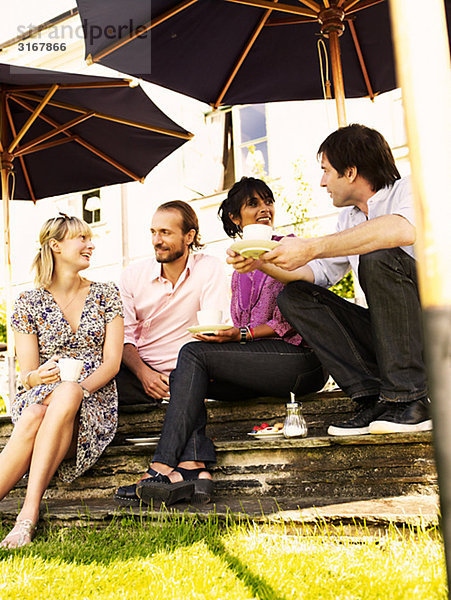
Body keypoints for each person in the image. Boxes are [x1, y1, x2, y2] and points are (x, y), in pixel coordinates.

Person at [115, 177, 327, 506]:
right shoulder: (239, 267)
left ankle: (161, 465)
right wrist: (232, 335)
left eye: (267, 201)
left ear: (189, 237)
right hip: (260, 362)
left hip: (300, 360)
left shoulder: (290, 247)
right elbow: (235, 327)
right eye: (254, 204)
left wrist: (239, 334)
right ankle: (194, 469)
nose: (265, 209)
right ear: (234, 217)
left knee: (193, 356)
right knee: (191, 376)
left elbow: (288, 319)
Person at [231, 124, 430, 437]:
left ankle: (411, 399)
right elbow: (316, 274)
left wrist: (313, 245)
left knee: (378, 255)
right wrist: (260, 261)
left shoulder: (413, 188)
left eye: (326, 171)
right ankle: (372, 397)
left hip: (432, 328)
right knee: (294, 297)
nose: (322, 182)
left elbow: (401, 230)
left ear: (350, 172)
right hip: (389, 337)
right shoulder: (349, 218)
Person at [0, 214, 123, 549]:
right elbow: (27, 376)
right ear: (55, 245)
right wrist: (37, 375)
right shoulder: (27, 303)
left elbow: (112, 362)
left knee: (67, 392)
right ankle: (27, 515)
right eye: (81, 239)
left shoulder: (106, 294)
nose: (90, 245)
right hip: (41, 400)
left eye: (89, 238)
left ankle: (28, 511)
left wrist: (78, 390)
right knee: (36, 412)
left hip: (93, 401)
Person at [116, 200, 229, 405]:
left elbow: (214, 328)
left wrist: (189, 376)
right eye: (153, 232)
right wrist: (144, 374)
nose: (156, 241)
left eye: (165, 233)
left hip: (193, 369)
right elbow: (124, 337)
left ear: (189, 236)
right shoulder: (132, 276)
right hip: (140, 373)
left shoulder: (208, 267)